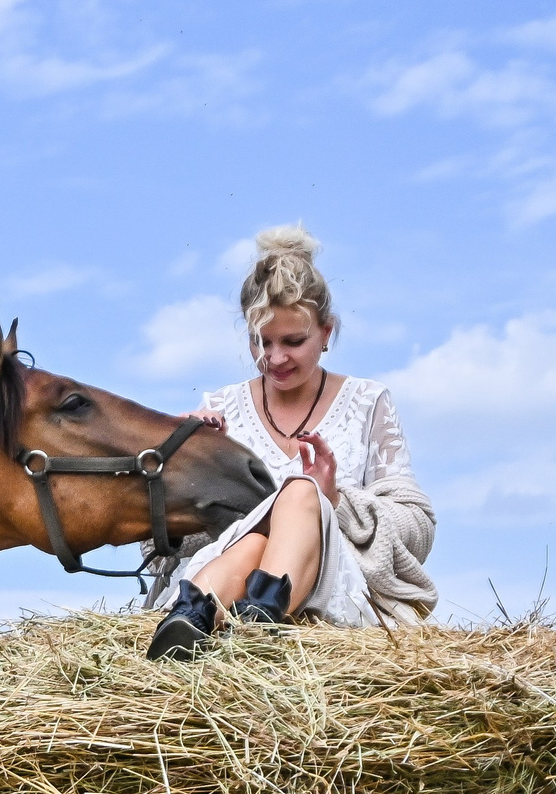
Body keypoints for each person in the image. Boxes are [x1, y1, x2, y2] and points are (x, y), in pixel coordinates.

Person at [148, 226, 436, 660]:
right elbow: (160, 551)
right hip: (235, 576)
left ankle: (201, 612)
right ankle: (247, 618)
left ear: (326, 331)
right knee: (257, 540)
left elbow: (419, 532)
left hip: (334, 588)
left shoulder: (368, 401)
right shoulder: (218, 407)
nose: (275, 358)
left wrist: (335, 500)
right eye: (261, 342)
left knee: (301, 493)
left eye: (293, 341)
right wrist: (184, 469)